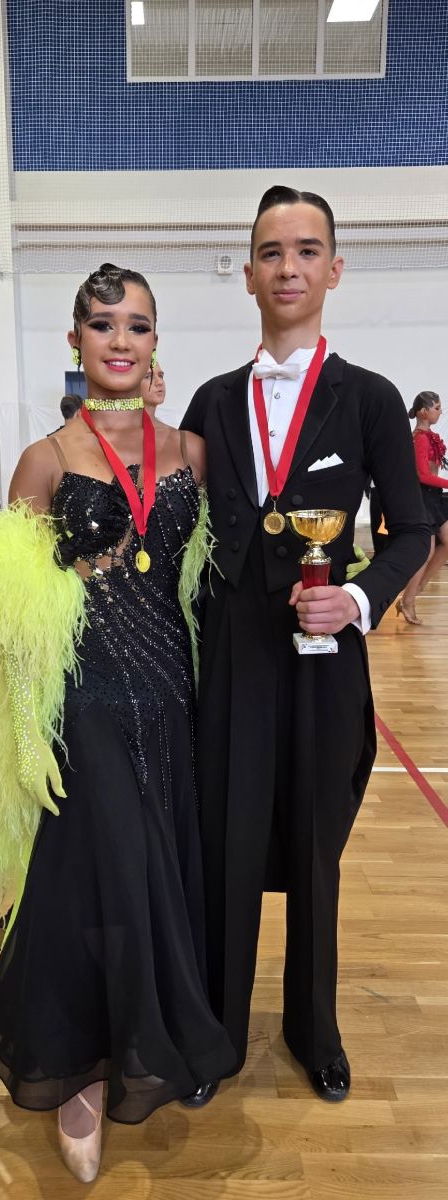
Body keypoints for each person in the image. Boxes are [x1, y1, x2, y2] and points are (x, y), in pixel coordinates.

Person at [0, 263, 235, 1184]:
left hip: (172, 696)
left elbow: (212, 582)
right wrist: (29, 731)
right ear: (75, 339)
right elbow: (0, 611)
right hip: (87, 700)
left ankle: (153, 1033)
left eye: (137, 325)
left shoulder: (191, 452)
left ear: (155, 342)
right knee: (100, 876)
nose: (120, 340)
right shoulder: (44, 457)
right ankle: (78, 1071)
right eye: (103, 324)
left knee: (159, 872)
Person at [180, 185, 430, 1105]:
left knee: (315, 847)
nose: (288, 267)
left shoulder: (372, 399)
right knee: (228, 843)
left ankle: (313, 1030)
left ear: (334, 269)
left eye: (306, 250)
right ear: (248, 274)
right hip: (233, 660)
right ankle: (214, 1032)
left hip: (327, 665)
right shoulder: (210, 401)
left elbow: (412, 529)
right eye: (271, 252)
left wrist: (357, 598)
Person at [396, 390, 448, 624]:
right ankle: (408, 601)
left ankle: (415, 591)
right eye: (437, 408)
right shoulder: (420, 438)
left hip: (433, 499)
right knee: (426, 552)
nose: (440, 411)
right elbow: (423, 476)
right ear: (423, 412)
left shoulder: (428, 436)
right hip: (422, 499)